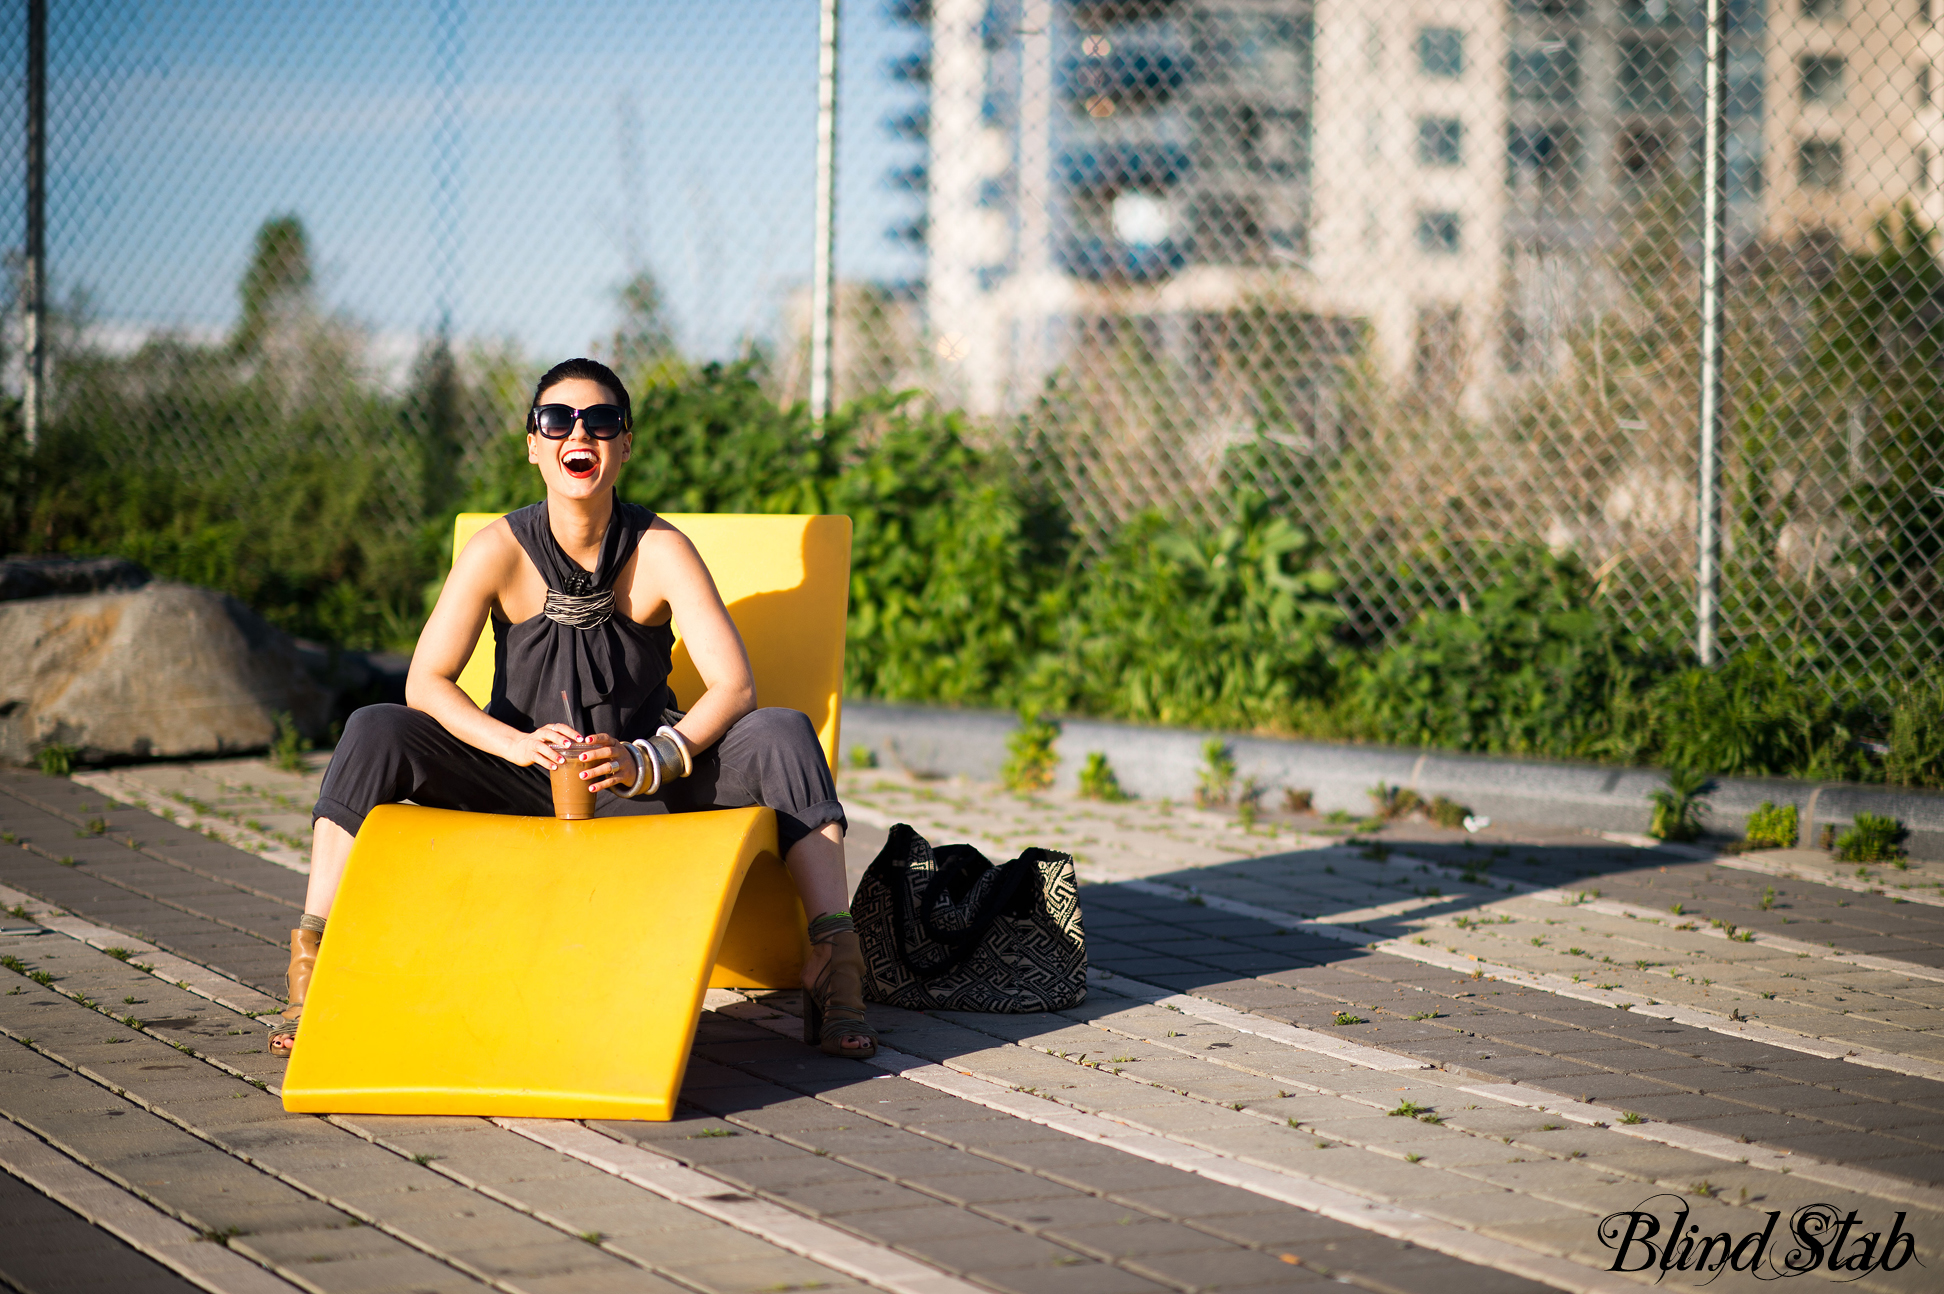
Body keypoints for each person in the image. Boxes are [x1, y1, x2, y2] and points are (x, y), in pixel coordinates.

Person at [272, 357, 874, 1061]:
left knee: (782, 732)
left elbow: (735, 687)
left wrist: (645, 760)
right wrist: (513, 745)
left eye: (602, 420)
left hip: (639, 782)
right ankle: (313, 960)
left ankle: (835, 964)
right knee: (374, 727)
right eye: (556, 419)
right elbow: (426, 682)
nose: (576, 433)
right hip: (520, 777)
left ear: (624, 444)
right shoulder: (496, 548)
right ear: (533, 443)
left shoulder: (661, 549)